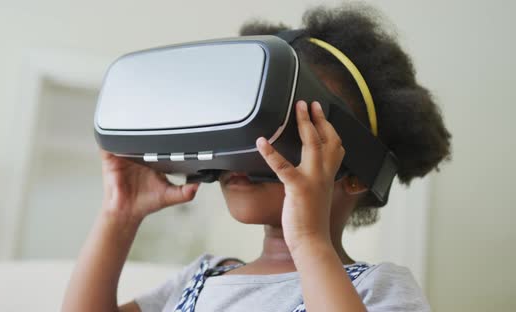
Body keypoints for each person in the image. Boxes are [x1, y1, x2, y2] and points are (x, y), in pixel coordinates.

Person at [62, 3, 451, 312]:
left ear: (359, 170)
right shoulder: (201, 279)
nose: (256, 141)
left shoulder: (376, 287)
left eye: (291, 124)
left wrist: (310, 242)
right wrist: (119, 215)